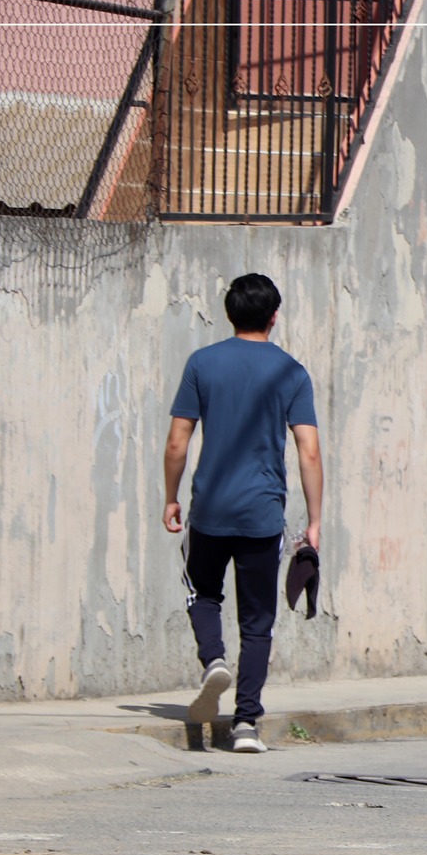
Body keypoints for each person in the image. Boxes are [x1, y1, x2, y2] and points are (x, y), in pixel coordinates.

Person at [162, 273, 322, 754]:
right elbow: (308, 450)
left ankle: (213, 660)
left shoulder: (202, 363)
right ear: (274, 317)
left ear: (229, 314)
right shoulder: (291, 372)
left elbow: (177, 441)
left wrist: (171, 496)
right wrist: (313, 520)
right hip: (262, 513)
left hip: (209, 508)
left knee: (203, 593)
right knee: (258, 621)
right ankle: (246, 724)